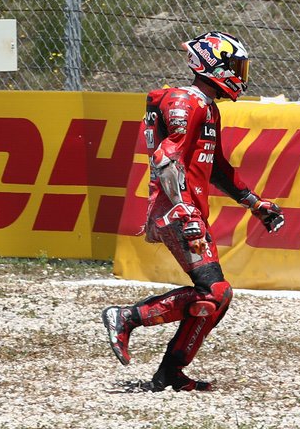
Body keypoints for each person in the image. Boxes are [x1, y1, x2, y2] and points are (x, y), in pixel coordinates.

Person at [101, 31, 286, 392]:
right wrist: (184, 211)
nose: (239, 74)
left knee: (218, 295)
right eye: (233, 65)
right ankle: (127, 318)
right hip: (176, 211)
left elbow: (215, 166)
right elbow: (165, 160)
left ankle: (170, 372)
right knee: (215, 291)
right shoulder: (188, 101)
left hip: (186, 209)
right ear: (210, 64)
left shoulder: (206, 105)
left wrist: (255, 203)